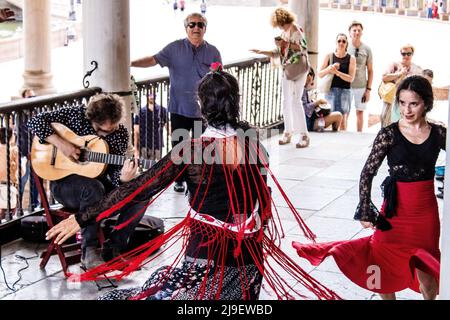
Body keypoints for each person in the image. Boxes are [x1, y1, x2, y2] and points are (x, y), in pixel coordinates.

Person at [63, 66, 340, 301]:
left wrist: (83, 217)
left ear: (201, 105)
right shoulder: (251, 138)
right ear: (235, 102)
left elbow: (139, 187)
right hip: (250, 255)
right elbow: (262, 192)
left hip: (207, 255)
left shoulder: (193, 149)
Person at [293, 75, 445, 300]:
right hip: (394, 214)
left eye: (414, 103)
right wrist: (365, 208)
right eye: (402, 103)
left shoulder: (439, 133)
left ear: (426, 104)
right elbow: (367, 172)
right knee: (381, 272)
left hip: (425, 217)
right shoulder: (389, 134)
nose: (407, 110)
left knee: (428, 282)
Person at [29, 93, 148, 270]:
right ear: (91, 119)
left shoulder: (120, 133)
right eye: (103, 130)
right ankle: (89, 252)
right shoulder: (76, 115)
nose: (108, 133)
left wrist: (123, 178)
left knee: (141, 194)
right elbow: (35, 121)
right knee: (93, 188)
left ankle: (113, 248)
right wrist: (63, 144)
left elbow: (115, 174)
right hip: (64, 184)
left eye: (112, 129)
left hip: (98, 186)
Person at [131, 13, 222, 193]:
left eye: (200, 25)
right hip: (179, 108)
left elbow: (218, 77)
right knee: (179, 147)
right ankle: (179, 180)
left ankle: (196, 181)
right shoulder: (174, 48)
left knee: (200, 148)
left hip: (202, 112)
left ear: (205, 28)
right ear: (186, 28)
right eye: (192, 24)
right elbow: (153, 60)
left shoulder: (213, 52)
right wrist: (130, 63)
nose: (196, 28)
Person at [250, 8, 310, 148]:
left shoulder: (295, 29)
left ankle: (304, 135)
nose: (279, 27)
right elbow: (279, 52)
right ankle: (288, 132)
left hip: (298, 69)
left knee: (296, 101)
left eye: (279, 24)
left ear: (282, 20)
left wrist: (285, 44)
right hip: (288, 69)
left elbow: (303, 47)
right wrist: (262, 51)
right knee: (286, 101)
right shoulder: (284, 32)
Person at [318, 33, 356, 131]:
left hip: (345, 91)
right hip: (330, 91)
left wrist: (337, 72)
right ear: (336, 42)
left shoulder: (351, 58)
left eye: (344, 41)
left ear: (347, 43)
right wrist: (329, 69)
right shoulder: (329, 56)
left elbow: (351, 78)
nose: (341, 43)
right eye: (339, 41)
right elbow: (320, 74)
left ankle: (343, 141)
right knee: (331, 116)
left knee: (343, 119)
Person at [380, 44, 422, 127]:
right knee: (386, 123)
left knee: (406, 125)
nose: (406, 56)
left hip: (408, 102)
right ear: (400, 54)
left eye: (408, 54)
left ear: (412, 54)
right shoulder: (394, 65)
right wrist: (399, 73)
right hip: (392, 99)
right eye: (403, 54)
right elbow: (384, 78)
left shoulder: (417, 68)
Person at [347, 21, 373, 132]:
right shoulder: (345, 46)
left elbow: (371, 70)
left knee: (360, 112)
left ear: (362, 32)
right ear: (350, 33)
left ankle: (359, 134)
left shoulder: (367, 49)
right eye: (354, 30)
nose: (357, 32)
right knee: (344, 113)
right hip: (346, 86)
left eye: (359, 30)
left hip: (361, 86)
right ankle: (342, 135)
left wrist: (368, 90)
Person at [17, 89, 40, 210]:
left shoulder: (37, 112)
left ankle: (34, 204)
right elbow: (23, 134)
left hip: (35, 152)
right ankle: (17, 206)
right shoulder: (20, 114)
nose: (32, 100)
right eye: (29, 97)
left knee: (35, 181)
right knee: (22, 180)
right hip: (24, 152)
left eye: (34, 97)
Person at [302, 68, 342, 132]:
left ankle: (333, 133)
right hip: (308, 124)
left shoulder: (303, 89)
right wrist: (318, 102)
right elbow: (304, 108)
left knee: (338, 115)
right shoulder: (302, 89)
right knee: (338, 115)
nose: (312, 82)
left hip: (310, 121)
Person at [133, 92, 168, 162]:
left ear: (156, 95)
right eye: (149, 94)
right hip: (144, 146)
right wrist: (136, 149)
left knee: (158, 168)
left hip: (158, 145)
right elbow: (136, 132)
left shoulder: (162, 110)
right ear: (146, 96)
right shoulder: (140, 112)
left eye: (153, 94)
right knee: (146, 169)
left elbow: (168, 127)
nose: (151, 96)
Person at [0, 127, 20, 220]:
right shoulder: (14, 150)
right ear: (11, 137)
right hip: (10, 187)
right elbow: (21, 171)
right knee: (9, 218)